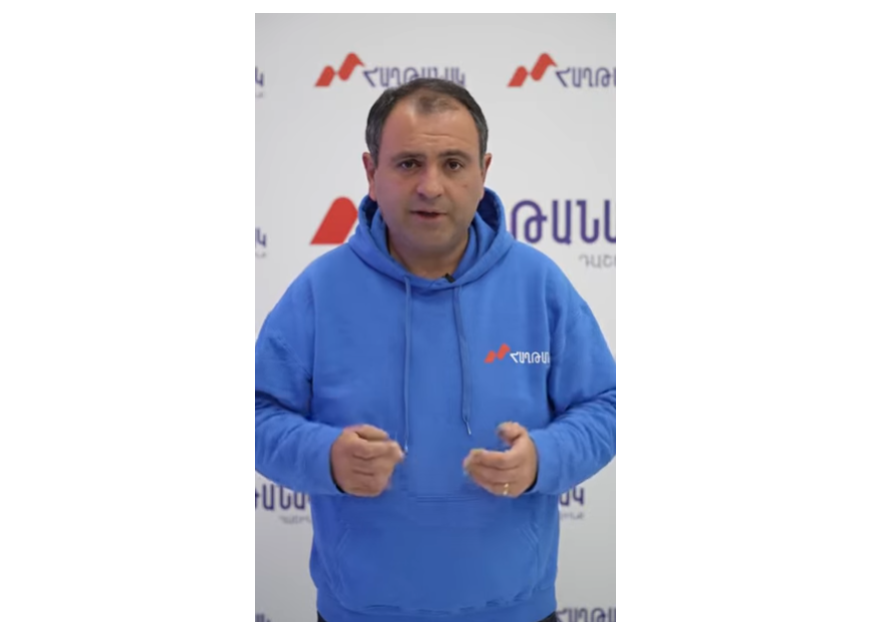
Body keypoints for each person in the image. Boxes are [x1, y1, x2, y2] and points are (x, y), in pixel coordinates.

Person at [255, 78, 616, 622]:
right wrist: (324, 456)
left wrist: (544, 458)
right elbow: (255, 413)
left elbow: (607, 406)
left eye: (453, 164)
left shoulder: (538, 284)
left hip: (516, 611)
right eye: (408, 164)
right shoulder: (319, 290)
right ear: (371, 173)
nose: (431, 186)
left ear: (483, 171)